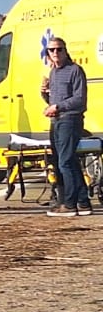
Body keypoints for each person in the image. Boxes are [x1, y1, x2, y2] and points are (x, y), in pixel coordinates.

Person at [42, 39, 91, 217]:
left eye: (59, 49)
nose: (55, 53)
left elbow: (79, 99)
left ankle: (70, 205)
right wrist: (45, 96)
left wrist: (58, 107)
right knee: (64, 161)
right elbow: (53, 101)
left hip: (70, 120)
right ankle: (83, 202)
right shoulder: (53, 72)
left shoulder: (75, 70)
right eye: (51, 50)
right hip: (56, 121)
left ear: (65, 51)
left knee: (65, 161)